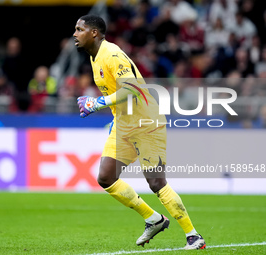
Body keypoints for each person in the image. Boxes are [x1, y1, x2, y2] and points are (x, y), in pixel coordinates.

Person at [73, 14, 205, 250]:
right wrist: (113, 115)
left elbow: (131, 88)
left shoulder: (111, 54)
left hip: (147, 122)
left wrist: (97, 103)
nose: (75, 34)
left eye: (79, 29)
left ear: (94, 32)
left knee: (156, 182)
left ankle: (193, 235)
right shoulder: (95, 58)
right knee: (106, 177)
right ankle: (153, 219)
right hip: (124, 123)